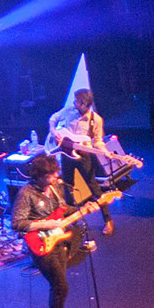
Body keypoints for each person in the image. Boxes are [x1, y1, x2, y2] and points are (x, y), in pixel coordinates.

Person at [10, 154, 87, 308]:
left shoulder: (55, 188)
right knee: (60, 287)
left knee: (60, 286)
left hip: (58, 241)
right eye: (50, 175)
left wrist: (84, 209)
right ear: (38, 176)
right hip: (41, 244)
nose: (55, 178)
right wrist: (47, 223)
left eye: (55, 174)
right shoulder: (26, 193)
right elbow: (17, 223)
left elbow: (62, 209)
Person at [50, 88, 116, 236]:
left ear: (85, 104)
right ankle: (71, 220)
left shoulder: (96, 119)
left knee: (94, 187)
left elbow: (98, 141)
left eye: (77, 101)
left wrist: (104, 151)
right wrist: (54, 132)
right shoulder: (69, 111)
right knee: (68, 187)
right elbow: (53, 119)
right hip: (66, 154)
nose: (74, 103)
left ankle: (108, 220)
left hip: (84, 155)